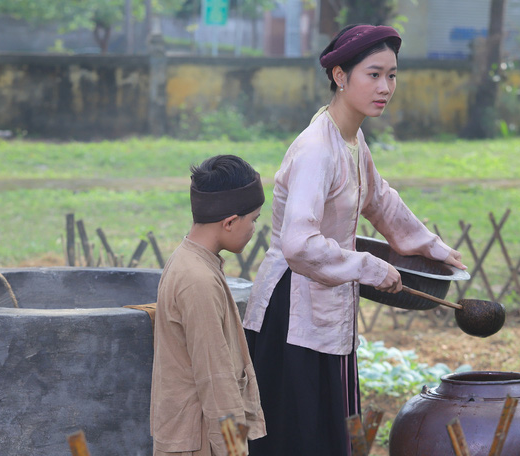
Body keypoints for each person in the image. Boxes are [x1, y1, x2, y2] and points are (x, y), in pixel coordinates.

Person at [242, 24, 467, 455]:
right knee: (298, 436)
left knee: (330, 432)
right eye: (374, 74)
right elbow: (299, 243)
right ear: (340, 77)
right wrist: (367, 266)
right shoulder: (316, 150)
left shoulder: (351, 138)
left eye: (393, 75)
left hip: (328, 302)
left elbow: (379, 198)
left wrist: (428, 244)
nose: (386, 87)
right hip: (293, 309)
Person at [150, 154, 267, 456]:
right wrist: (235, 451)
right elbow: (216, 381)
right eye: (252, 220)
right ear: (229, 222)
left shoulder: (190, 260)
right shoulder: (198, 281)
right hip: (200, 442)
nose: (254, 228)